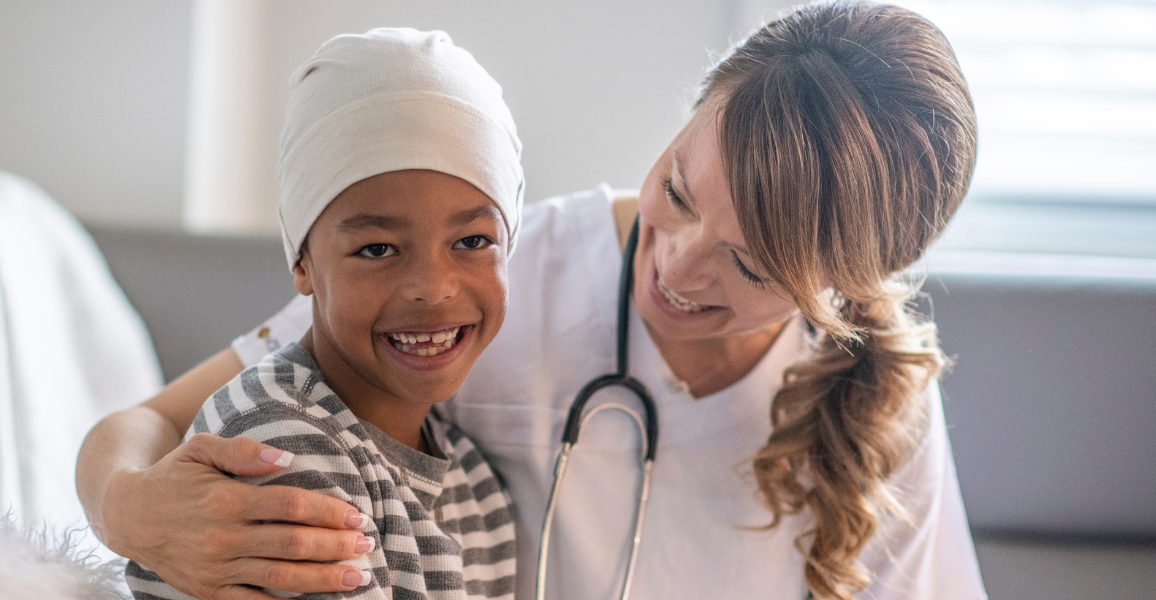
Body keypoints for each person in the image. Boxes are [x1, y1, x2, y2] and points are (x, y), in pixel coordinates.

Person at [77, 3, 985, 599]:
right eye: (677, 189)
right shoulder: (497, 275)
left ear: (841, 286)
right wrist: (129, 508)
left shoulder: (882, 404)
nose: (676, 268)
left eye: (750, 268)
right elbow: (152, 421)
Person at [121, 29, 522, 600]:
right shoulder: (280, 443)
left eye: (473, 240)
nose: (433, 289)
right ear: (303, 263)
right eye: (378, 249)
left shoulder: (476, 485)